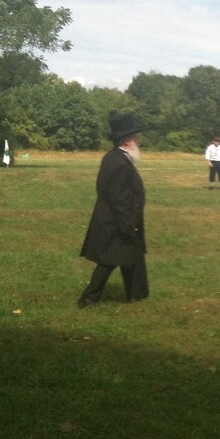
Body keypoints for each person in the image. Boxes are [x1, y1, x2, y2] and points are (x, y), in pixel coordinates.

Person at [78, 114, 149, 307]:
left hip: (120, 218)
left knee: (131, 255)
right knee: (109, 260)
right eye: (136, 139)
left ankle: (136, 294)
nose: (139, 142)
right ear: (127, 141)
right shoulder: (117, 162)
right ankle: (89, 298)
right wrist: (127, 224)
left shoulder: (118, 158)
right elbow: (118, 197)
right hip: (116, 220)